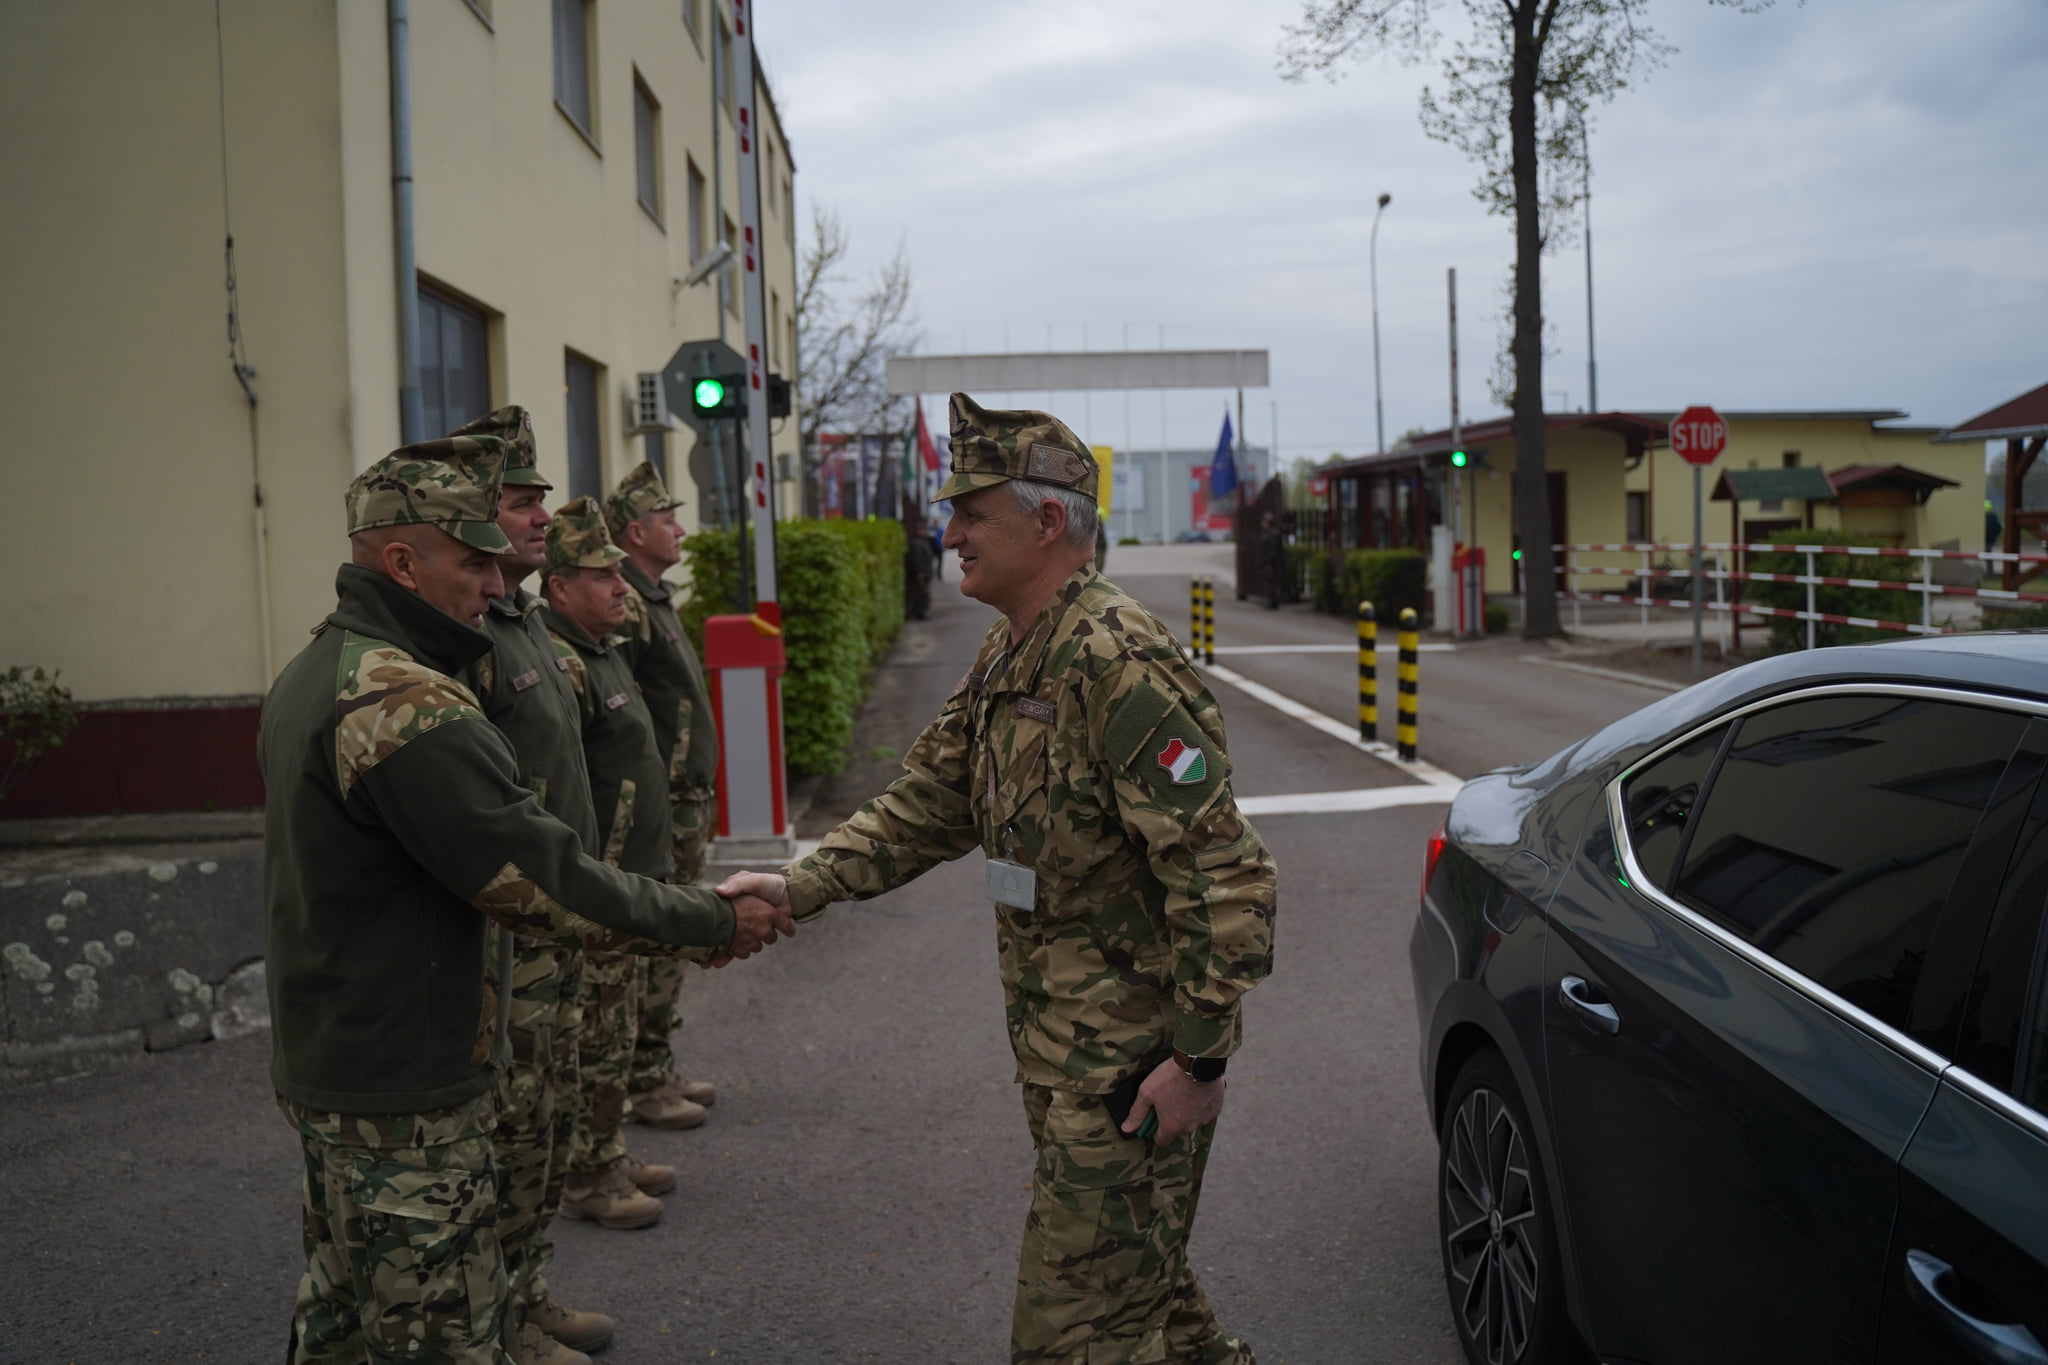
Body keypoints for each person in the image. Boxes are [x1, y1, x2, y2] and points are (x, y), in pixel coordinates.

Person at [722, 394, 1276, 1365]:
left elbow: (1224, 876)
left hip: (1129, 1078)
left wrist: (1199, 1064)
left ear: (1047, 520)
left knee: (1070, 1336)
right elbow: (927, 803)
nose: (949, 536)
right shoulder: (1013, 651)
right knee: (1142, 1289)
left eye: (970, 514)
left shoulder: (1117, 662)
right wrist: (797, 886)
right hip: (1060, 1063)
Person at [261, 437, 791, 1364]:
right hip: (406, 1086)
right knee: (444, 1337)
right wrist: (712, 917)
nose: (494, 579)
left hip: (344, 1063)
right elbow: (542, 877)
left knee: (342, 1324)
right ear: (402, 563)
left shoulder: (321, 667)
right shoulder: (400, 701)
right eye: (473, 561)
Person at [445, 407, 610, 1365]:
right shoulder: (463, 640)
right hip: (511, 940)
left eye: (541, 499)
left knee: (548, 1120)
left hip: (560, 925)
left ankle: (528, 1286)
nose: (543, 516)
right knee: (508, 1133)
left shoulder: (521, 622)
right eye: (519, 502)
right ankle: (498, 1320)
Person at [541, 497, 685, 1231]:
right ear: (560, 586)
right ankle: (590, 1174)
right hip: (601, 884)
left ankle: (608, 1150)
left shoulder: (599, 652)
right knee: (595, 1037)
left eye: (617, 574)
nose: (620, 586)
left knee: (616, 1028)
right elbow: (564, 785)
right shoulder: (563, 663)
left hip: (632, 876)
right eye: (602, 576)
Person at [602, 463, 720, 1133]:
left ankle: (655, 1064)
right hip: (665, 802)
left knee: (671, 938)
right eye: (667, 520)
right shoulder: (629, 607)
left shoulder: (653, 598)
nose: (680, 529)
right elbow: (623, 712)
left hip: (685, 799)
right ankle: (643, 1080)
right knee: (662, 934)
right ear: (634, 532)